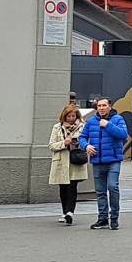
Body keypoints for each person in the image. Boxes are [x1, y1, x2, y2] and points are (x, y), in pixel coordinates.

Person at [79, 98, 129, 229]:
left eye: (104, 105)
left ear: (110, 107)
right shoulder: (91, 122)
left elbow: (123, 135)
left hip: (113, 160)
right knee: (100, 192)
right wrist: (86, 146)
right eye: (99, 106)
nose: (101, 108)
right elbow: (82, 137)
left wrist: (107, 125)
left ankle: (114, 218)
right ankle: (102, 218)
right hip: (97, 161)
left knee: (113, 187)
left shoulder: (117, 119)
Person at [48, 96, 88, 224]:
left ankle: (70, 212)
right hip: (62, 161)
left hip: (75, 160)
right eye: (68, 116)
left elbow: (87, 142)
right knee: (63, 187)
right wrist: (64, 143)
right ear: (64, 117)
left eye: (73, 116)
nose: (71, 119)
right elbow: (51, 145)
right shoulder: (57, 128)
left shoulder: (82, 127)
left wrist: (78, 143)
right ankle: (64, 212)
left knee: (72, 186)